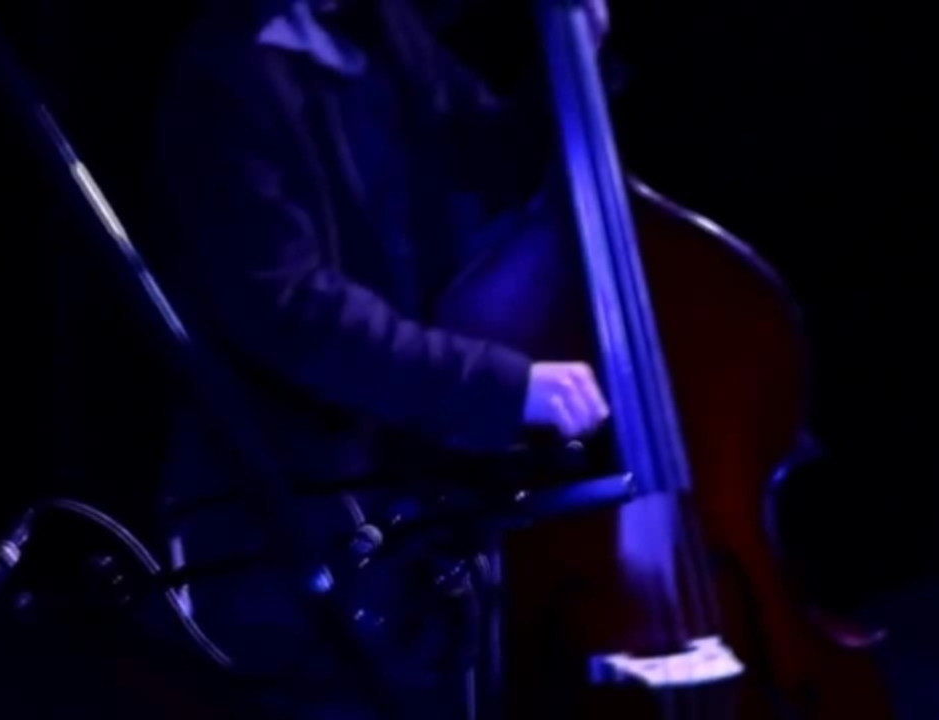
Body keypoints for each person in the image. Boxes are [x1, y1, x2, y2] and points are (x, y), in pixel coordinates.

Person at [149, 0, 610, 717]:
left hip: (412, 507)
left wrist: (571, 52)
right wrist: (499, 386)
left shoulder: (388, 32)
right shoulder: (229, 71)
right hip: (290, 516)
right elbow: (290, 310)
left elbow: (493, 166)